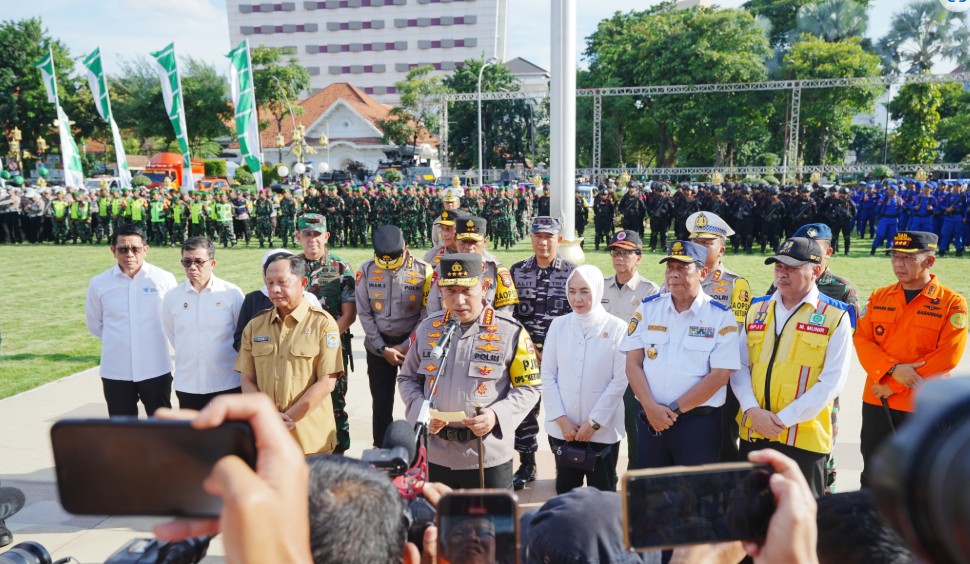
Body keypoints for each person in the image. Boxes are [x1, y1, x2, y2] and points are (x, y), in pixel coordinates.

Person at [397, 254, 541, 489]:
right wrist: (421, 413)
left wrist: (496, 415)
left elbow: (530, 387)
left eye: (466, 290)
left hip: (487, 455)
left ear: (484, 287)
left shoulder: (511, 332)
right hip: (435, 453)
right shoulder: (427, 329)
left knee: (491, 524)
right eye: (450, 291)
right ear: (440, 291)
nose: (459, 300)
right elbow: (407, 378)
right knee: (438, 523)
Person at [731, 237, 853, 497]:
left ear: (816, 270)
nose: (782, 273)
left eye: (792, 267)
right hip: (755, 432)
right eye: (778, 266)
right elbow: (739, 365)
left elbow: (832, 382)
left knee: (801, 522)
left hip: (803, 439)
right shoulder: (757, 308)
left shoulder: (835, 315)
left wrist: (780, 421)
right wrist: (752, 410)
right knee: (755, 520)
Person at [853, 231, 967, 488]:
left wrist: (892, 384)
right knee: (873, 472)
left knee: (920, 478)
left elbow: (948, 356)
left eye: (908, 258)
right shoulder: (878, 297)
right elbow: (862, 340)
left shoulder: (952, 303)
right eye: (895, 256)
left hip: (921, 404)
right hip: (876, 401)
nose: (898, 264)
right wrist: (892, 369)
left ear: (930, 262)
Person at [621, 241, 740, 469]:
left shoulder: (720, 316)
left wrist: (672, 411)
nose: (673, 274)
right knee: (653, 492)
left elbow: (719, 376)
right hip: (650, 418)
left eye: (682, 268)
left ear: (703, 273)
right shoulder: (647, 309)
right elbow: (632, 363)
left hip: (698, 424)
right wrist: (651, 408)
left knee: (694, 494)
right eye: (670, 268)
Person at [767, 222, 860, 493]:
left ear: (826, 254)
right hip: (777, 385)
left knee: (822, 443)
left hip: (819, 384)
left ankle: (825, 491)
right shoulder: (779, 282)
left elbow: (849, 337)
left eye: (815, 248)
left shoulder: (841, 289)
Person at [235, 253, 344, 456]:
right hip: (268, 439)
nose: (275, 289)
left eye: (282, 282)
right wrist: (269, 418)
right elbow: (247, 379)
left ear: (302, 282)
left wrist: (287, 419)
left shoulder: (323, 324)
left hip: (311, 441)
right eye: (270, 283)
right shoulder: (255, 326)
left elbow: (327, 382)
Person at [541, 265, 628, 494]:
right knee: (566, 494)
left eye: (584, 291)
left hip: (603, 431)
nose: (577, 298)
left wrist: (594, 422)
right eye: (572, 291)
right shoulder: (559, 326)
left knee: (602, 493)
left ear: (597, 291)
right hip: (564, 430)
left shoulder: (618, 328)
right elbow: (548, 375)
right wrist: (562, 420)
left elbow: (620, 380)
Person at [509, 216, 577, 489]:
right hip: (524, 356)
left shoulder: (572, 273)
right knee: (525, 413)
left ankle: (567, 463)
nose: (543, 242)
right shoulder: (517, 271)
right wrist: (529, 348)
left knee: (561, 411)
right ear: (532, 238)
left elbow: (576, 315)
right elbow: (509, 315)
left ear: (559, 239)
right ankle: (528, 464)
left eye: (549, 236)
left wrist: (550, 349)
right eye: (538, 236)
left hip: (559, 357)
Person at [85, 224, 177, 416]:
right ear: (113, 251)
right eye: (122, 249)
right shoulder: (99, 283)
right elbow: (95, 324)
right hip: (116, 371)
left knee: (163, 429)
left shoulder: (163, 279)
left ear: (145, 250)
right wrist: (121, 340)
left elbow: (173, 321)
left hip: (155, 368)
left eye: (135, 249)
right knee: (122, 432)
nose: (129, 254)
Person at [355, 225, 433, 447]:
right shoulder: (367, 270)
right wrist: (382, 348)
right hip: (377, 348)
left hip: (413, 347)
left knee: (418, 400)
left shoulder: (424, 271)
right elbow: (364, 312)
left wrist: (405, 346)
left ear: (406, 249)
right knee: (381, 403)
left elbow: (426, 315)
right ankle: (380, 447)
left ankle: (422, 448)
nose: (387, 265)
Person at [683, 211, 752, 464]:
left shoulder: (736, 284)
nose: (699, 247)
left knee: (721, 441)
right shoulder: (678, 278)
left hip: (718, 377)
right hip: (683, 373)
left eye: (707, 243)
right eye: (696, 242)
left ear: (721, 250)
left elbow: (735, 335)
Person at [296, 213, 356, 454]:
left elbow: (349, 315)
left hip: (332, 350)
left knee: (335, 404)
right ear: (298, 236)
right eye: (307, 234)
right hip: (298, 351)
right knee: (301, 402)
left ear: (326, 236)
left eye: (317, 234)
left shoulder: (340, 267)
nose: (312, 239)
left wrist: (322, 344)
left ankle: (339, 454)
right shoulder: (291, 266)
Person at [161, 236, 244, 410]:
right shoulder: (172, 297)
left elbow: (241, 336)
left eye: (198, 262)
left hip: (227, 383)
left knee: (227, 436)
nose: (192, 267)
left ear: (212, 263)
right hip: (188, 385)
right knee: (194, 437)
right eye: (186, 261)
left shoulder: (232, 294)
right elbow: (174, 336)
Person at [601, 230, 660, 470]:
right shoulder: (601, 287)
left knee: (636, 434)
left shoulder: (650, 291)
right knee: (602, 432)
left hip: (632, 373)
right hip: (603, 370)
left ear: (639, 257)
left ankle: (634, 484)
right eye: (616, 252)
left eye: (626, 253)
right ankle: (604, 481)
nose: (619, 258)